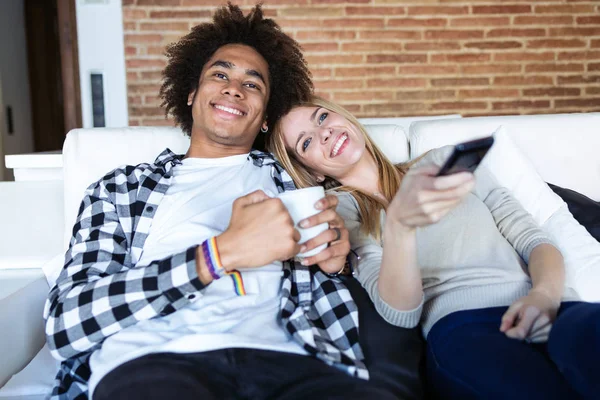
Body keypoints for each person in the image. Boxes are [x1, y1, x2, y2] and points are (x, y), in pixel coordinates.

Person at [44, 5, 399, 400]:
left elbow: (355, 269)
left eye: (253, 84)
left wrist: (337, 263)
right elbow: (67, 321)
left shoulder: (294, 180)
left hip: (292, 358)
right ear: (192, 94)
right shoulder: (121, 190)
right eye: (220, 74)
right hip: (157, 359)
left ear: (265, 117)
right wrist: (218, 254)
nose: (234, 88)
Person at [268, 96, 600, 400]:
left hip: (553, 304)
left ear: (345, 118)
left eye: (322, 117)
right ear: (310, 171)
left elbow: (534, 239)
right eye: (307, 141)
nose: (323, 133)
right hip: (464, 330)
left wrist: (545, 296)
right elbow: (400, 311)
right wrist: (399, 225)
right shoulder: (342, 211)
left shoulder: (444, 161)